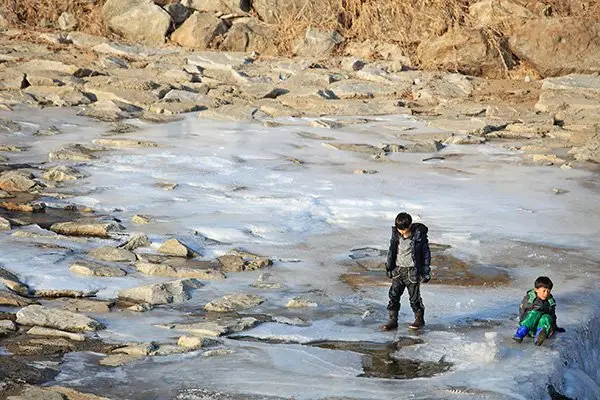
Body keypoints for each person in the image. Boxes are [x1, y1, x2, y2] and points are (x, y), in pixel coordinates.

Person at [381, 212, 431, 331]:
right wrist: (389, 267)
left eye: (404, 229)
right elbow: (391, 251)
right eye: (399, 229)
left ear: (409, 226)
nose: (402, 231)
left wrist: (425, 270)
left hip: (412, 271)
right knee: (393, 295)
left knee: (414, 298)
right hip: (398, 270)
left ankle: (419, 319)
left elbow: (426, 254)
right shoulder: (396, 236)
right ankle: (393, 320)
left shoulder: (418, 237)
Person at [513, 276, 565, 346]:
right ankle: (520, 334)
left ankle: (539, 336)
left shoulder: (550, 301)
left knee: (546, 317)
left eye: (548, 291)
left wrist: (555, 327)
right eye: (544, 291)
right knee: (535, 313)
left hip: (544, 327)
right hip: (529, 327)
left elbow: (553, 315)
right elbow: (523, 314)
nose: (546, 293)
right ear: (536, 290)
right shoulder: (530, 299)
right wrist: (535, 309)